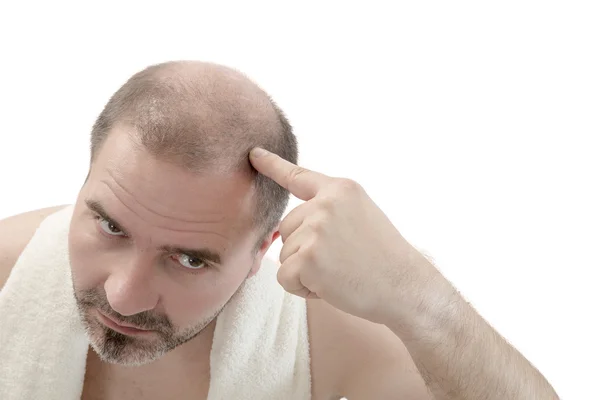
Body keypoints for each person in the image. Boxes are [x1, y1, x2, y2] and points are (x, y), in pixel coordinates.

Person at [0, 60, 558, 399]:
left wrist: (417, 293)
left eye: (190, 259)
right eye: (109, 226)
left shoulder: (318, 339)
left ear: (259, 255)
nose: (123, 294)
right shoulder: (7, 270)